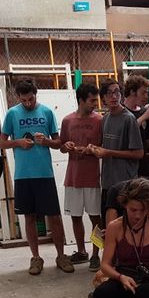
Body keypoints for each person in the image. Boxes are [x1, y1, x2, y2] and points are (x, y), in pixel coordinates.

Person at [0, 79, 74, 275]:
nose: (28, 103)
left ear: (36, 94)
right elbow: (2, 143)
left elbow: (59, 143)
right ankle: (36, 257)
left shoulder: (47, 112)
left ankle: (61, 256)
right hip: (23, 175)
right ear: (18, 98)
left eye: (31, 99)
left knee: (54, 217)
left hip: (45, 173)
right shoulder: (12, 114)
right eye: (24, 100)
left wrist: (47, 141)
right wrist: (18, 142)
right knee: (29, 217)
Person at [60, 83, 103, 271]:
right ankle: (81, 251)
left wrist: (91, 149)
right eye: (92, 100)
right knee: (75, 216)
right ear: (81, 100)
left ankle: (96, 255)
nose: (95, 103)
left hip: (93, 177)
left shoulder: (100, 120)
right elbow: (61, 146)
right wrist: (67, 146)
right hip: (73, 177)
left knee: (96, 218)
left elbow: (103, 147)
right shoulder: (67, 121)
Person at [88, 79, 143, 227]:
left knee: (125, 226)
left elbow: (139, 153)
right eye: (109, 93)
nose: (113, 96)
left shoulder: (129, 119)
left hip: (125, 182)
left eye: (116, 92)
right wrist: (91, 148)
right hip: (107, 182)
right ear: (103, 98)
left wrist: (108, 152)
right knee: (108, 226)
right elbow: (103, 146)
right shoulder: (105, 118)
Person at [122, 75, 149, 176]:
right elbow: (124, 134)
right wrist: (142, 118)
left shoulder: (145, 112)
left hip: (143, 165)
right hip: (126, 165)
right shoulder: (120, 112)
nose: (146, 96)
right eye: (143, 92)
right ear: (132, 92)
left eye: (147, 92)